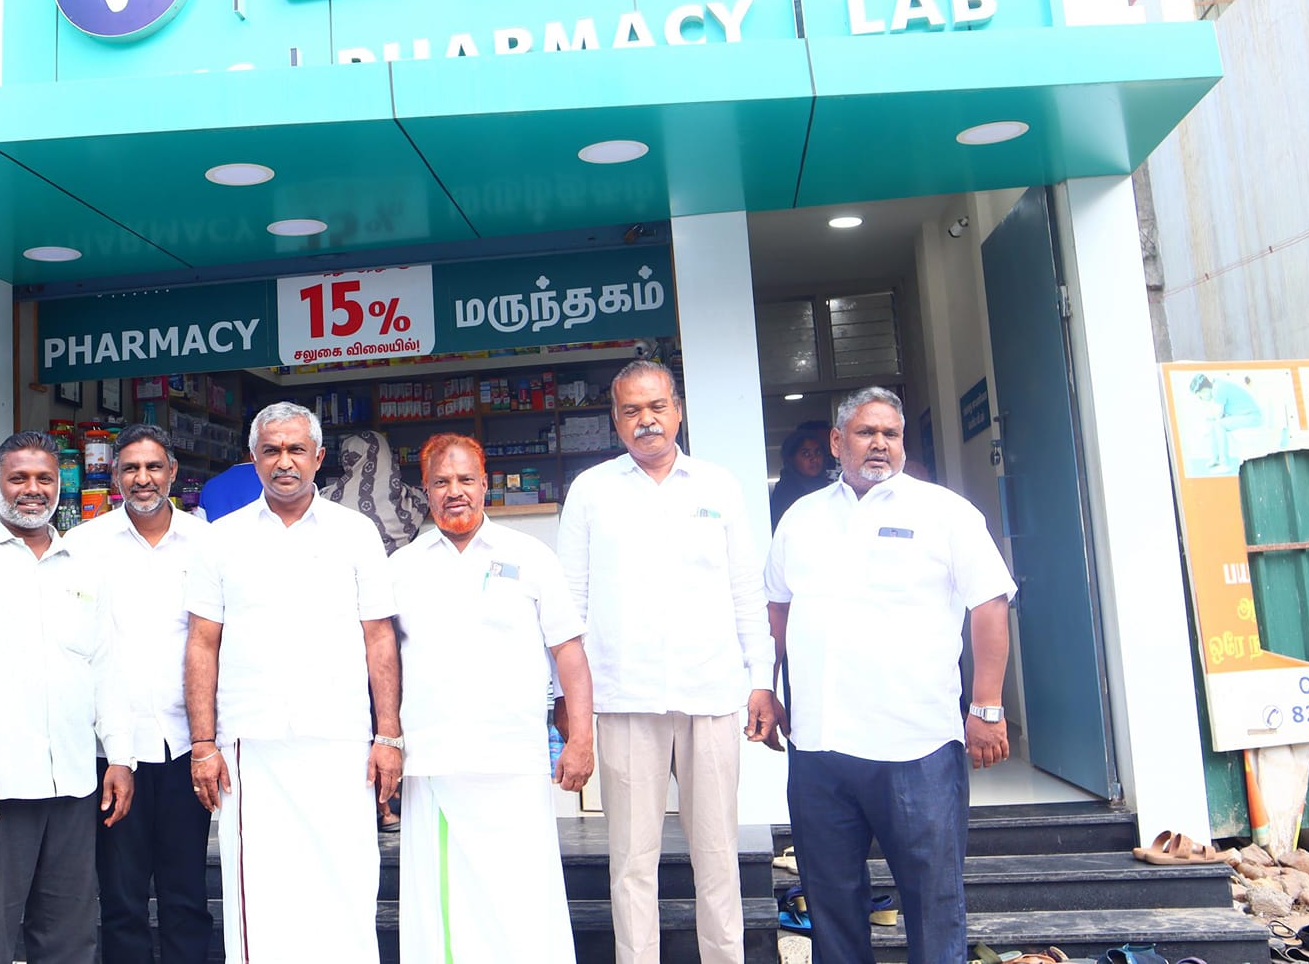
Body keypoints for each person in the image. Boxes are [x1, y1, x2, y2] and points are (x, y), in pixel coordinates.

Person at [763, 386, 1016, 964]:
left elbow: (990, 604)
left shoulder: (944, 512)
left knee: (933, 900)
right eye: (865, 432)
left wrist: (986, 706)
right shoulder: (801, 518)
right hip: (820, 747)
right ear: (837, 442)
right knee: (831, 900)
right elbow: (777, 608)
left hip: (916, 747)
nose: (879, 443)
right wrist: (766, 687)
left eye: (891, 433)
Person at [556, 359, 778, 964]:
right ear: (616, 420)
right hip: (624, 698)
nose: (646, 421)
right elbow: (569, 604)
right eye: (631, 410)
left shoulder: (717, 486)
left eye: (657, 407)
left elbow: (746, 591)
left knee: (718, 854)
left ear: (678, 411)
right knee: (631, 860)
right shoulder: (591, 491)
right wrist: (569, 699)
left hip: (711, 693)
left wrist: (761, 681)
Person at [184, 401, 401, 964]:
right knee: (260, 888)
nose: (284, 462)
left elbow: (379, 636)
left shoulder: (356, 533)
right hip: (250, 742)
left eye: (296, 449)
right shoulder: (220, 538)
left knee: (347, 877)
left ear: (319, 457)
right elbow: (202, 642)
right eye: (272, 450)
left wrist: (388, 735)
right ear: (253, 458)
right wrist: (203, 743)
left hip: (339, 736)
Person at [0, 429, 135, 964]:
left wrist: (121, 756)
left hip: (73, 783)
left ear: (59, 486)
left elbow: (105, 668)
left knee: (70, 936)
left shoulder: (83, 566)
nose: (32, 490)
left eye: (45, 479)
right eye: (19, 478)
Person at [390, 433, 595, 964]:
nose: (454, 491)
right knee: (445, 907)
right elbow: (382, 664)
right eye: (441, 481)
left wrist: (581, 740)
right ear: (426, 490)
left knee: (522, 896)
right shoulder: (402, 567)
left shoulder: (530, 556)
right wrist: (386, 740)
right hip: (436, 764)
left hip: (514, 759)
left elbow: (569, 652)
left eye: (465, 479)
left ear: (485, 485)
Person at [61, 424, 213, 964]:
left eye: (153, 467)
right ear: (114, 476)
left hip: (184, 744)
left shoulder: (207, 542)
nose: (142, 478)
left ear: (172, 472)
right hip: (112, 750)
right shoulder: (83, 545)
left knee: (185, 889)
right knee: (121, 894)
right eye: (130, 468)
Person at [1188, 372, 1263, 473]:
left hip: (1252, 417)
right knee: (1214, 424)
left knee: (1219, 425)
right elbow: (1219, 415)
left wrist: (1208, 414)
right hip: (1246, 416)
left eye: (1200, 396)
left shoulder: (1218, 389)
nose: (1201, 399)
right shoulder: (1217, 386)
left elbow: (1218, 415)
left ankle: (1225, 463)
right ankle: (1215, 458)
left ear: (1204, 390)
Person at [770, 428, 831, 529]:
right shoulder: (785, 492)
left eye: (818, 452)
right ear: (791, 459)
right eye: (806, 454)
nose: (814, 459)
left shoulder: (828, 486)